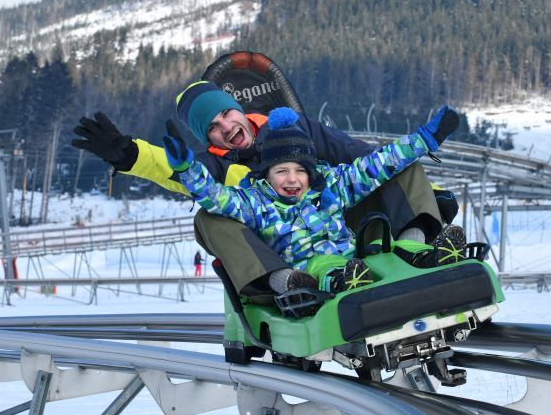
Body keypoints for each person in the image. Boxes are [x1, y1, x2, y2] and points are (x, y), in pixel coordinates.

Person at [72, 74, 461, 297]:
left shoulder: (296, 128)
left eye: (226, 113)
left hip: (339, 220)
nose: (227, 127)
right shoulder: (215, 166)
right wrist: (130, 155)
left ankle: (416, 246)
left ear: (237, 108)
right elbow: (180, 175)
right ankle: (283, 283)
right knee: (210, 218)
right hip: (287, 247)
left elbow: (361, 158)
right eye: (214, 127)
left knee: (393, 164)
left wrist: (425, 191)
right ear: (208, 137)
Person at [161, 106, 459, 304]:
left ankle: (419, 254)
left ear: (310, 170)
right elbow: (216, 197)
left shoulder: (330, 185)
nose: (292, 179)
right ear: (266, 174)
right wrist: (188, 169)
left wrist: (424, 139)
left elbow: (377, 165)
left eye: (300, 171)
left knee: (382, 249)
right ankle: (342, 284)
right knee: (327, 267)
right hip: (312, 268)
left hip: (354, 257)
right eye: (281, 172)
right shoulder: (256, 202)